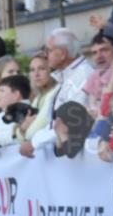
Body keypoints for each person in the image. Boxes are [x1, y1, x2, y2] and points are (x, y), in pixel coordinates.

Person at [21, 28, 94, 157]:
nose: (45, 55)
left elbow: (69, 121)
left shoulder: (82, 75)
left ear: (62, 54)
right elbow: (54, 122)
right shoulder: (66, 75)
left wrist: (35, 142)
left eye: (48, 50)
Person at [23, 52, 58, 142]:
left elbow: (32, 132)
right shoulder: (38, 97)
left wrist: (21, 131)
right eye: (32, 70)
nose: (36, 74)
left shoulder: (55, 92)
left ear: (51, 70)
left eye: (41, 69)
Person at [82, 32, 113, 118]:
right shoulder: (94, 75)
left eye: (104, 50)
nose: (99, 56)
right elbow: (91, 105)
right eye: (94, 53)